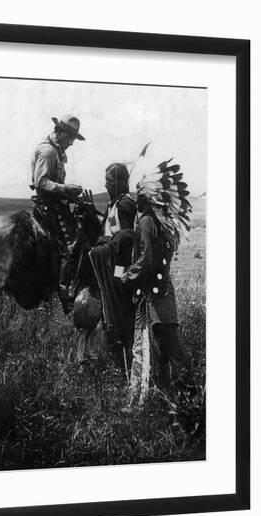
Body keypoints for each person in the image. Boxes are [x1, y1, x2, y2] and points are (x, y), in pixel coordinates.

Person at [122, 174, 190, 408]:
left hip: (153, 295)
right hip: (161, 291)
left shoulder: (146, 223)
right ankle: (169, 398)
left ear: (146, 200)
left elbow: (147, 260)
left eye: (139, 197)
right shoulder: (161, 223)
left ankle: (189, 397)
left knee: (168, 345)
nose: (136, 202)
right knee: (163, 346)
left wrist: (128, 274)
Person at [31, 114, 85, 314]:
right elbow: (41, 183)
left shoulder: (57, 151)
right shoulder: (47, 151)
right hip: (48, 207)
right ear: (60, 132)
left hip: (55, 204)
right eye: (70, 136)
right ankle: (65, 296)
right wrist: (65, 189)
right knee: (68, 248)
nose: (72, 142)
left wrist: (69, 194)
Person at [89, 163, 136, 375]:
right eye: (106, 180)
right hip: (110, 266)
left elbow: (126, 239)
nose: (106, 184)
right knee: (111, 314)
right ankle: (117, 362)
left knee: (120, 314)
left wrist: (106, 246)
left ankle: (126, 364)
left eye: (109, 180)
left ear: (120, 182)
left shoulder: (125, 204)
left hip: (119, 269)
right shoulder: (114, 203)